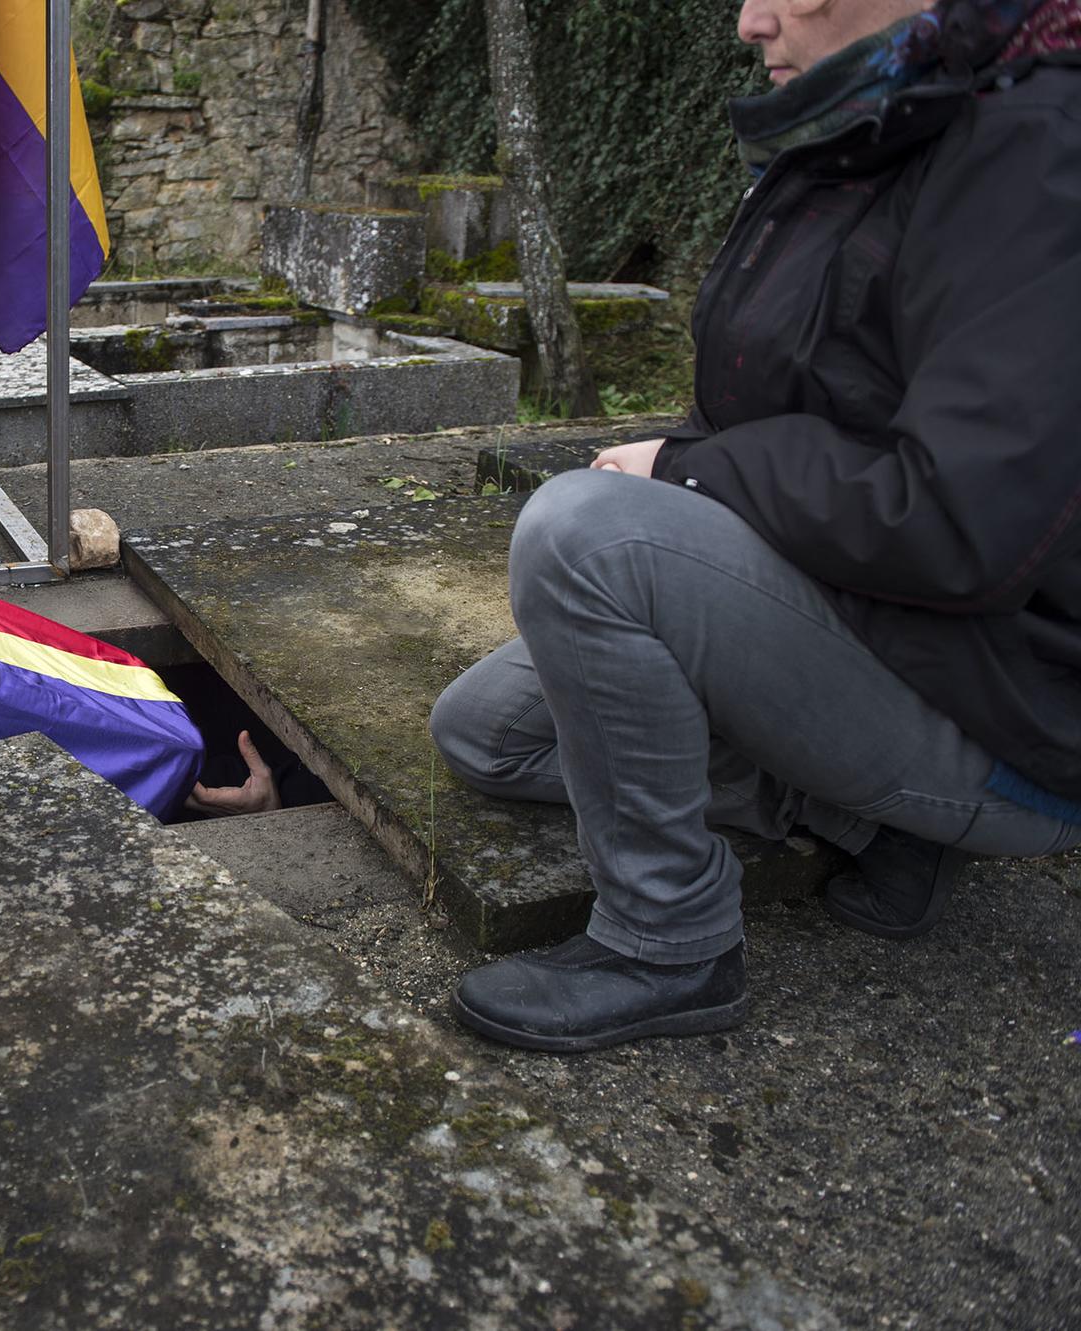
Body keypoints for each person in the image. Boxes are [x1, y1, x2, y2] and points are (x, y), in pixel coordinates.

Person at [429, 0, 1081, 1052]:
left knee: (585, 536)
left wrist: (690, 472)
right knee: (483, 736)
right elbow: (787, 394)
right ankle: (870, 819)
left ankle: (666, 940)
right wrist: (697, 472)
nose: (750, 20)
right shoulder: (866, 120)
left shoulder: (1041, 148)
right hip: (877, 618)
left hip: (1008, 705)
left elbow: (963, 518)